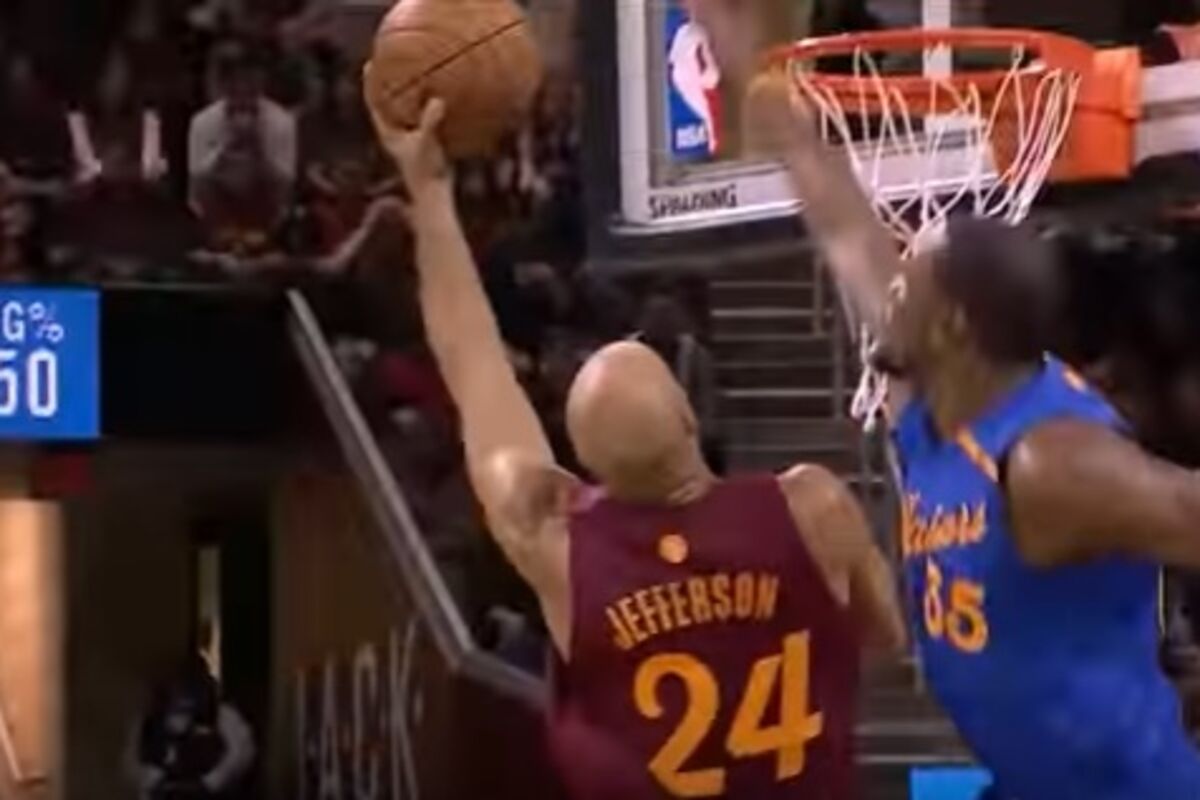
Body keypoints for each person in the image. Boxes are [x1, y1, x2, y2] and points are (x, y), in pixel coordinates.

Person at [692, 2, 1200, 797]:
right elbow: (846, 232)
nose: (888, 285)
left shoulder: (1049, 463)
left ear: (954, 324)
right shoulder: (935, 409)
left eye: (908, 280)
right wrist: (755, 77)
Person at [366, 90, 904, 799]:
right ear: (689, 416)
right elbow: (884, 638)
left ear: (585, 466)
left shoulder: (561, 550)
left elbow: (474, 368)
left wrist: (431, 194)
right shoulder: (813, 506)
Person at [126, 656, 255, 800]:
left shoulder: (223, 715)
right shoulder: (149, 721)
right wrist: (151, 778)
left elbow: (241, 753)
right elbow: (131, 765)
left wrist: (210, 782)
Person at [632, 286, 725, 473]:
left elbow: (707, 399)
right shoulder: (625, 354)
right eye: (656, 316)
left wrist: (701, 433)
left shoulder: (695, 355)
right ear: (642, 320)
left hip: (685, 430)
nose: (661, 322)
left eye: (667, 315)